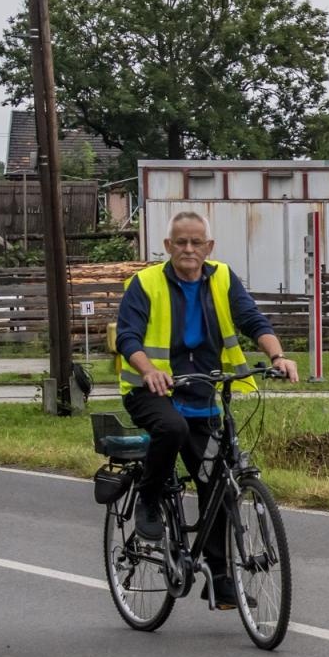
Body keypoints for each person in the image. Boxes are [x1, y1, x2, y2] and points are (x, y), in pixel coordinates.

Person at [115, 210, 299, 610]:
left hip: (204, 394)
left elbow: (253, 319)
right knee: (172, 430)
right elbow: (127, 336)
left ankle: (220, 578)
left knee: (219, 483)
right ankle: (149, 499)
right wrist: (148, 370)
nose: (188, 249)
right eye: (180, 242)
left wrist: (278, 356)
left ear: (209, 247)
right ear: (167, 247)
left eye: (196, 242)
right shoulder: (145, 283)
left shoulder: (222, 278)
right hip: (152, 393)